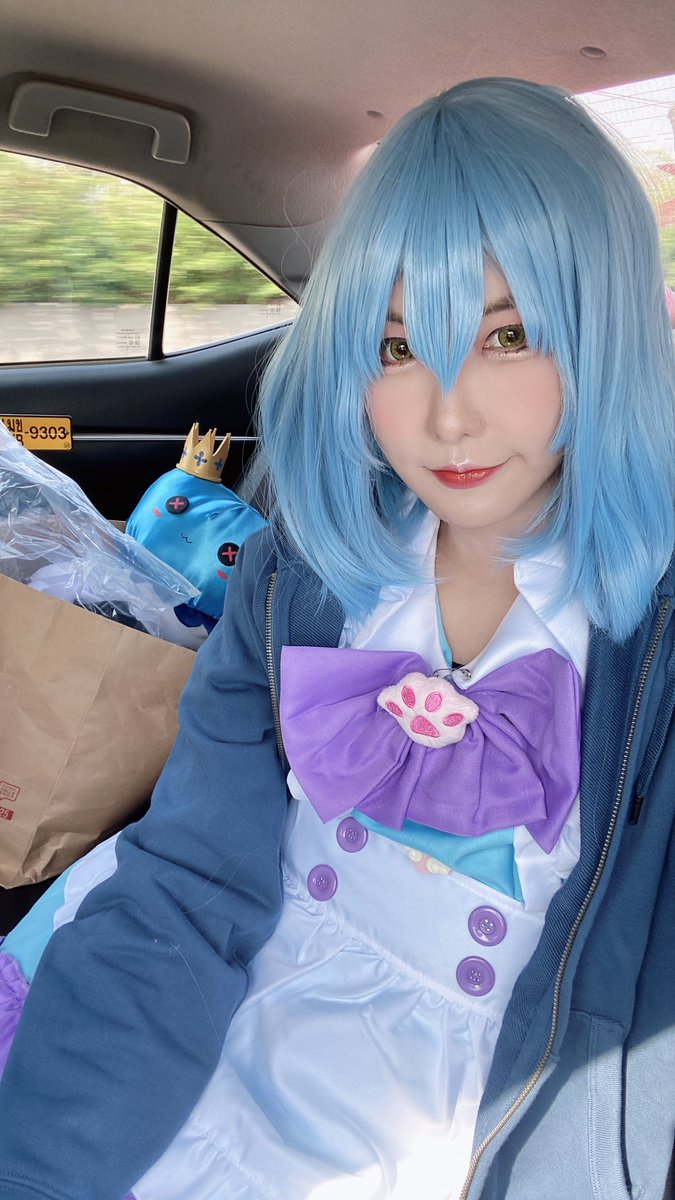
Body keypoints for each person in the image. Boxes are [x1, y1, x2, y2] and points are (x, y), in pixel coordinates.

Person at [0, 76, 674, 1200]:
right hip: (223, 1042)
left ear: (606, 331)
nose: (448, 415)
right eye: (398, 349)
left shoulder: (654, 650)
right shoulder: (300, 576)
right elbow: (187, 883)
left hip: (490, 1118)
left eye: (508, 337)